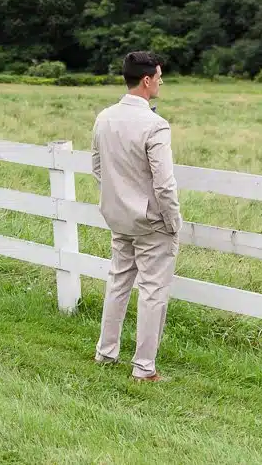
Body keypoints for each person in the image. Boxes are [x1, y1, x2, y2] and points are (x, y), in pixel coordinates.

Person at [91, 51, 182, 382]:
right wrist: (173, 222)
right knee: (153, 291)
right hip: (151, 223)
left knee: (118, 282)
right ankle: (144, 368)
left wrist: (118, 199)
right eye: (159, 78)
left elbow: (97, 168)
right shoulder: (155, 125)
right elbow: (165, 184)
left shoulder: (104, 117)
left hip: (119, 218)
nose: (161, 83)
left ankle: (106, 352)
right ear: (146, 81)